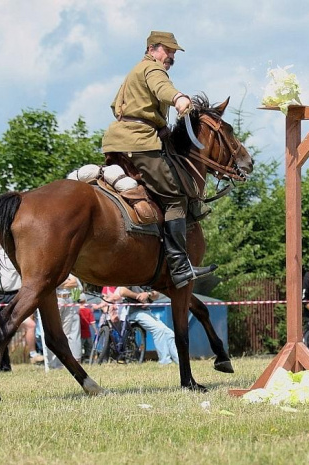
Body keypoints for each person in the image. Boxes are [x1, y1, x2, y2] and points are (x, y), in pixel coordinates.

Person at [101, 30, 216, 289]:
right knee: (174, 197)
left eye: (174, 51)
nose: (172, 55)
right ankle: (179, 265)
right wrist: (179, 98)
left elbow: (115, 106)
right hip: (139, 143)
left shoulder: (133, 73)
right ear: (152, 49)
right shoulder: (153, 69)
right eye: (168, 50)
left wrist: (159, 126)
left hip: (116, 141)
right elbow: (162, 88)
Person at [0, 243, 44, 370]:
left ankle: (31, 354)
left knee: (19, 327)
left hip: (12, 295)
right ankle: (2, 365)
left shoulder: (16, 248)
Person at [116, 286, 179, 365]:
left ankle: (179, 362)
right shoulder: (132, 277)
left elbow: (156, 295)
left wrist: (148, 294)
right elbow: (122, 291)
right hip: (134, 312)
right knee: (158, 330)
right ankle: (164, 362)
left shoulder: (148, 281)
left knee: (169, 333)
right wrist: (138, 296)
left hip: (146, 311)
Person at [47, 274, 83, 368]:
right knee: (53, 332)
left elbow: (75, 283)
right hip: (57, 298)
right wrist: (65, 282)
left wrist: (60, 283)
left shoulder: (69, 271)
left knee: (66, 334)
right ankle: (52, 363)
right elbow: (51, 282)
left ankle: (62, 363)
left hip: (69, 299)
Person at [78, 293, 97, 363]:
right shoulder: (88, 310)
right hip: (87, 333)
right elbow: (92, 322)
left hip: (79, 333)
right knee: (89, 347)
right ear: (85, 301)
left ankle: (79, 358)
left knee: (79, 347)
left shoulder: (77, 311)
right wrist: (95, 330)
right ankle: (88, 357)